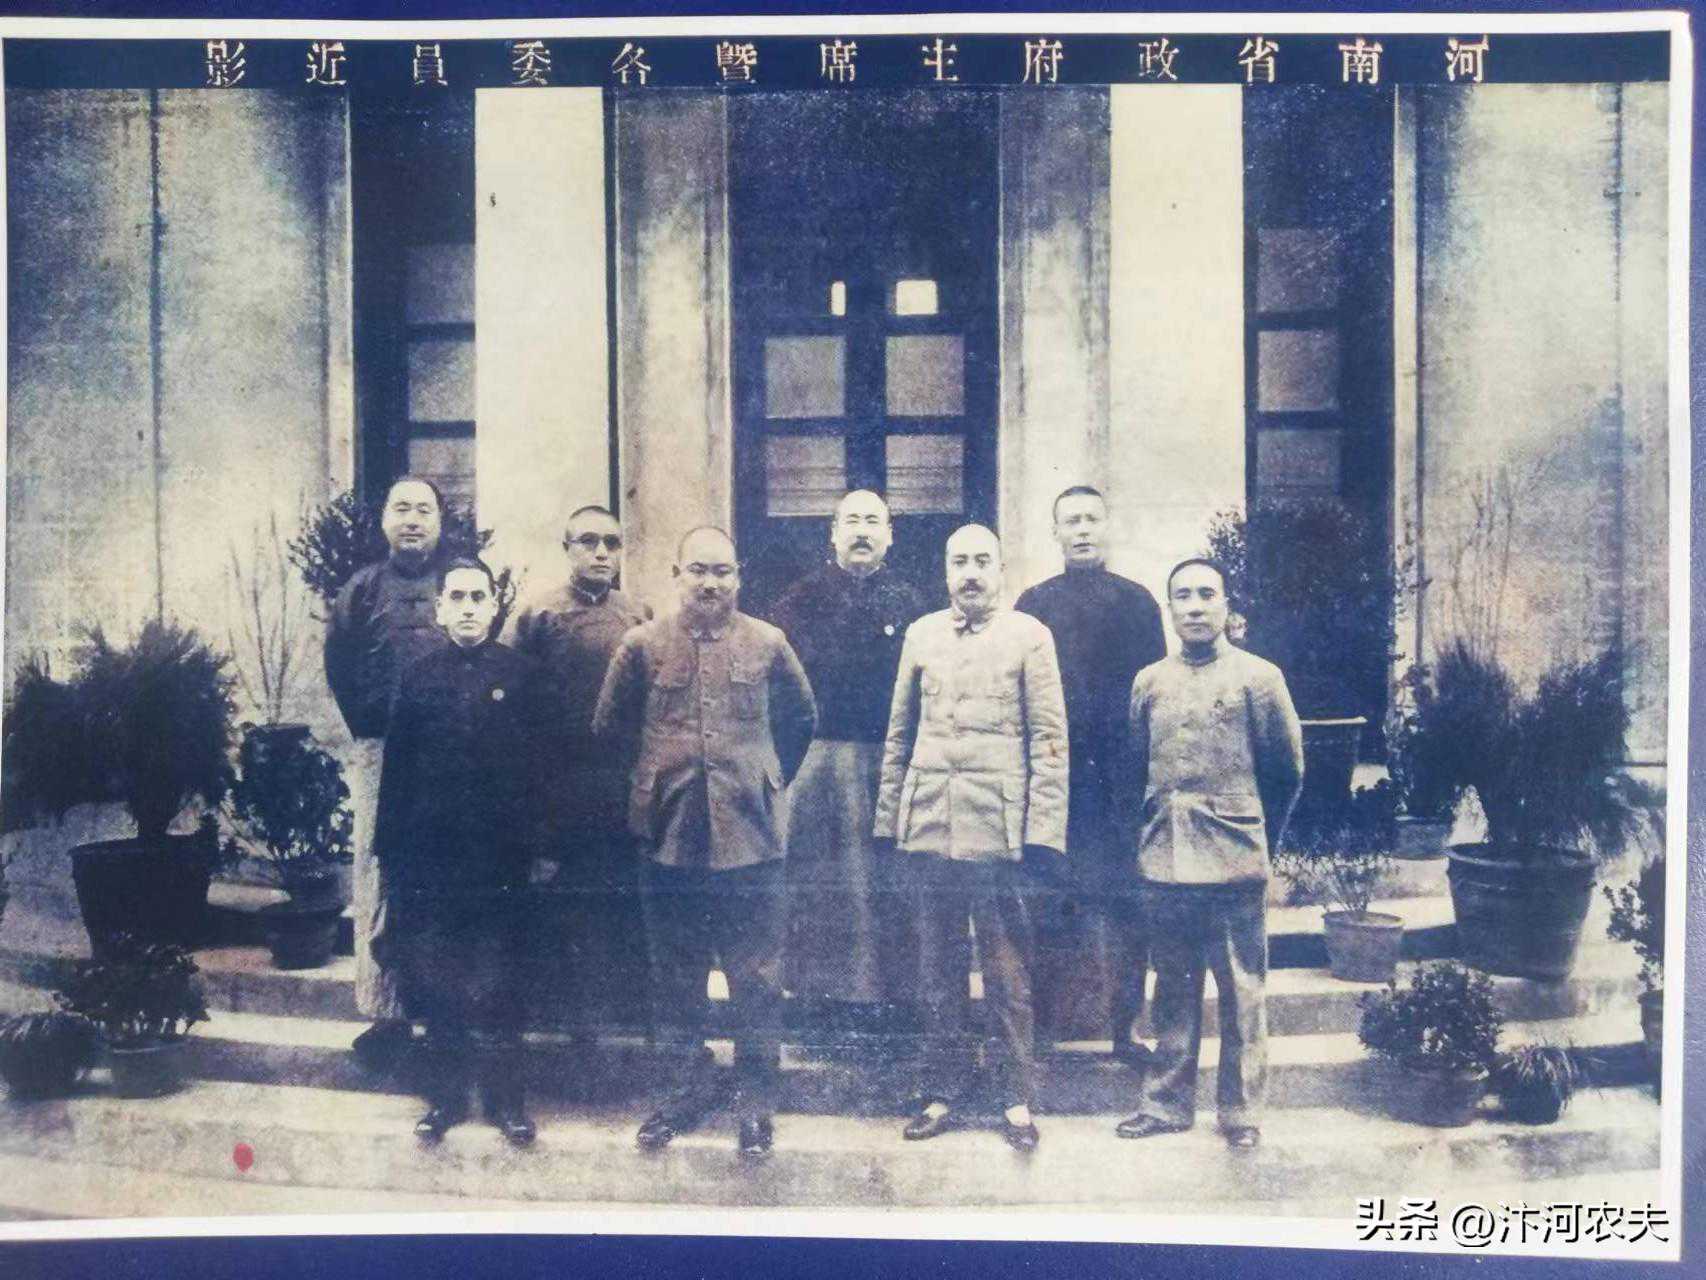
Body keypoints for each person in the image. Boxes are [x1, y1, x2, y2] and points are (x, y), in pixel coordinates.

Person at [593, 525, 817, 1157]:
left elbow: (803, 718)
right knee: (675, 974)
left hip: (751, 836)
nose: (711, 583)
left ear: (739, 577)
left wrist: (765, 779)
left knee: (756, 976)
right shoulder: (641, 645)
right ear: (676, 575)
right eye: (698, 570)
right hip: (668, 833)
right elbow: (608, 730)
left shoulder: (768, 642)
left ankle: (756, 1101)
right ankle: (682, 1093)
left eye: (722, 571)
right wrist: (649, 785)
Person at [874, 524, 1068, 1153]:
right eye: (960, 562)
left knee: (1007, 973)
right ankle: (942, 1092)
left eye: (983, 561)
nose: (971, 573)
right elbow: (899, 734)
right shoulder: (921, 634)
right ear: (945, 571)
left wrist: (1042, 833)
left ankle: (1016, 1099)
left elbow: (1050, 741)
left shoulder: (1030, 636)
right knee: (938, 970)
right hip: (930, 824)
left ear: (1001, 570)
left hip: (1000, 832)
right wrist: (889, 821)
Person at [1116, 558, 1304, 1151]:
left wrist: (1255, 834)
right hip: (1165, 858)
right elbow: (1135, 767)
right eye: (1183, 596)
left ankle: (1241, 1112)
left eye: (1206, 594)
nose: (1195, 607)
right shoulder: (1149, 681)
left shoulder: (1259, 678)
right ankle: (1166, 1104)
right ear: (1169, 609)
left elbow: (1286, 771)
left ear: (1226, 605)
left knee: (1242, 991)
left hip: (1233, 858)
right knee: (1172, 987)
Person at [373, 557, 552, 1147]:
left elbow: (543, 773)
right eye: (458, 597)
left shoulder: (522, 676)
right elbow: (397, 772)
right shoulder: (419, 677)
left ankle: (507, 1101)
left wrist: (543, 849)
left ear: (494, 606)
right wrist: (391, 854)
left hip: (501, 860)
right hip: (433, 859)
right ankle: (445, 1099)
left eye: (479, 597)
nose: (469, 608)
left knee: (503, 980)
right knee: (437, 978)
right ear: (440, 609)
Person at [770, 490, 928, 1045]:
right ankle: (817, 1001)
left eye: (873, 522)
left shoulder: (912, 603)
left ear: (891, 535)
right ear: (833, 533)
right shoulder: (800, 601)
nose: (862, 532)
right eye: (852, 522)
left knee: (886, 882)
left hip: (888, 758)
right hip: (821, 761)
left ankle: (889, 1001)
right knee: (822, 882)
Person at [1015, 485, 1166, 1060]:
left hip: (1120, 780)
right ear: (1055, 532)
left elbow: (1154, 694)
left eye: (1091, 519)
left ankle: (1127, 1028)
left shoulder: (1138, 603)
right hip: (1057, 778)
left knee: (1128, 904)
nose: (1082, 529)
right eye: (1071, 521)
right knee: (1050, 903)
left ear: (1107, 527)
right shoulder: (1034, 604)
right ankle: (1044, 1027)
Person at [509, 504, 651, 1045]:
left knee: (619, 897)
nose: (601, 553)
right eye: (588, 541)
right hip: (557, 784)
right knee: (564, 902)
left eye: (612, 543)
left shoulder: (638, 614)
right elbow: (512, 700)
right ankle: (566, 1022)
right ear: (566, 548)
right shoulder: (536, 616)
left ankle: (623, 1020)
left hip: (618, 782)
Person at [323, 476, 449, 1067]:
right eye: (402, 509)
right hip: (381, 750)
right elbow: (340, 665)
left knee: (448, 872)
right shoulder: (361, 589)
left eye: (424, 510)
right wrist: (371, 727)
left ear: (440, 522)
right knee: (377, 875)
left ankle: (449, 1014)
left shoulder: (462, 582)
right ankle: (385, 1013)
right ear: (384, 521)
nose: (413, 520)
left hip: (450, 752)